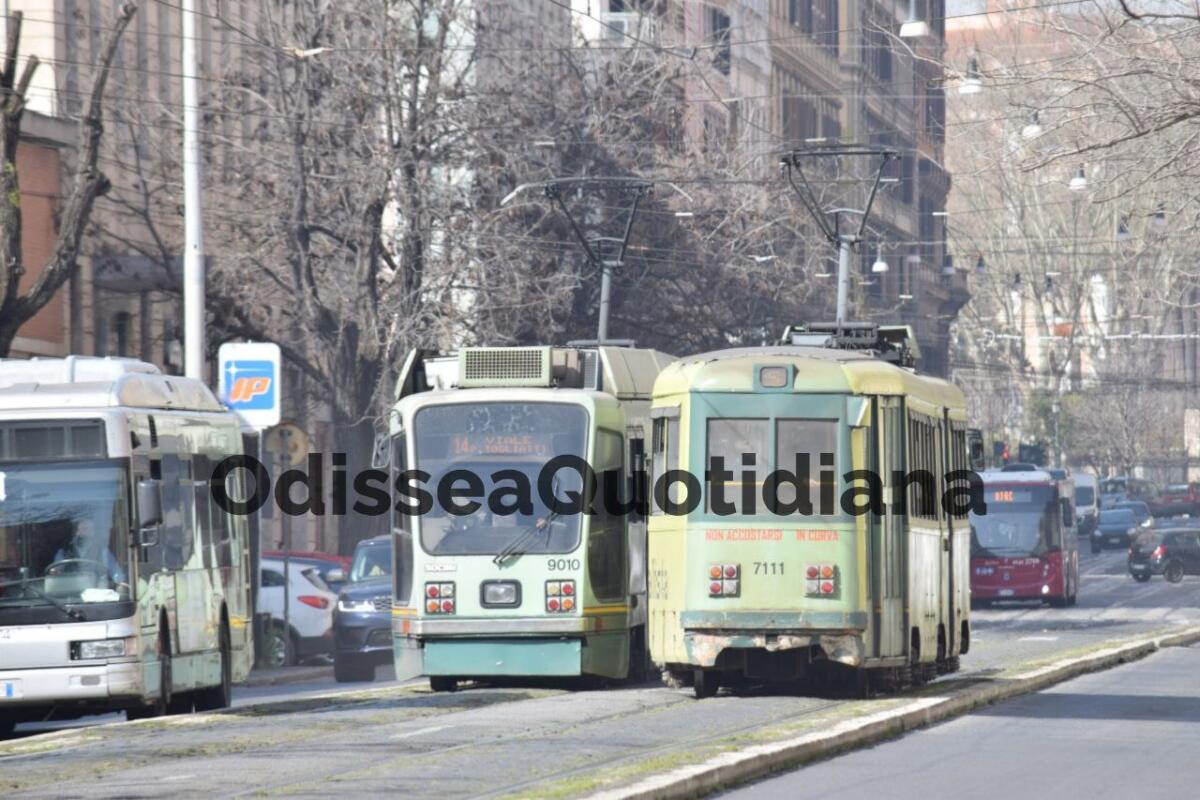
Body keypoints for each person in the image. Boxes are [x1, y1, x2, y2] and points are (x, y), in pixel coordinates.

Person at [51, 519, 126, 585]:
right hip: (69, 591)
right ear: (77, 532)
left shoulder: (102, 550)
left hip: (95, 590)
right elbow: (57, 567)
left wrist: (119, 580)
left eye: (90, 530)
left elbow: (114, 569)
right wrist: (55, 570)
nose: (87, 532)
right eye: (84, 529)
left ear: (93, 533)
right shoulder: (65, 550)